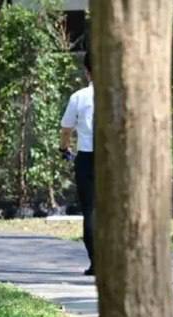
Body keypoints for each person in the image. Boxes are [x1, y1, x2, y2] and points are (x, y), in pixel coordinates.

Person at [60, 51, 95, 276]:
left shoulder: (79, 97)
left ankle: (96, 262)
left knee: (90, 210)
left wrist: (64, 148)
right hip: (115, 159)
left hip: (87, 158)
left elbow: (66, 129)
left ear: (86, 70)